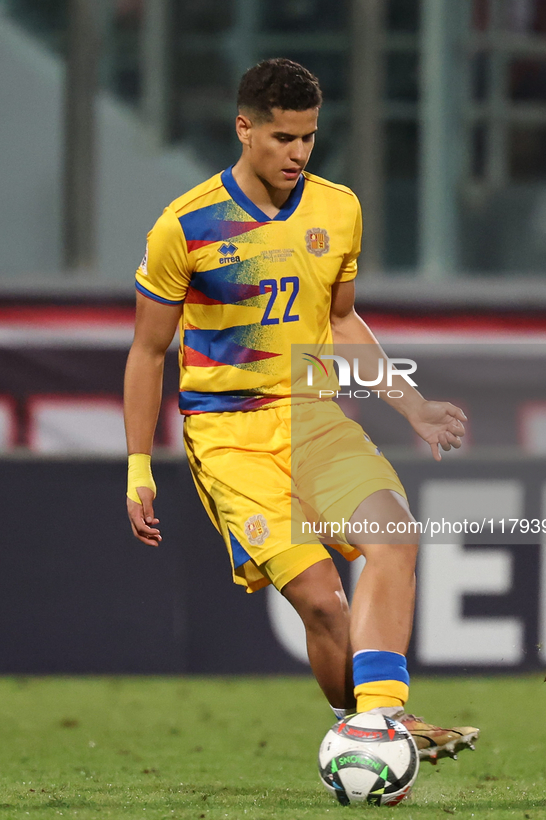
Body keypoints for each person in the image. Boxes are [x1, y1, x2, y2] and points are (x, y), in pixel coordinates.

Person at [124, 58, 479, 763]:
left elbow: (341, 321)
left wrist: (410, 405)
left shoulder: (337, 207)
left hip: (315, 412)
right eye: (283, 137)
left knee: (395, 538)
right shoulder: (185, 226)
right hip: (229, 436)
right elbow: (146, 350)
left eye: (309, 138)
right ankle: (362, 722)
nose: (298, 153)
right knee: (322, 602)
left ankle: (381, 724)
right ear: (244, 127)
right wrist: (138, 466)